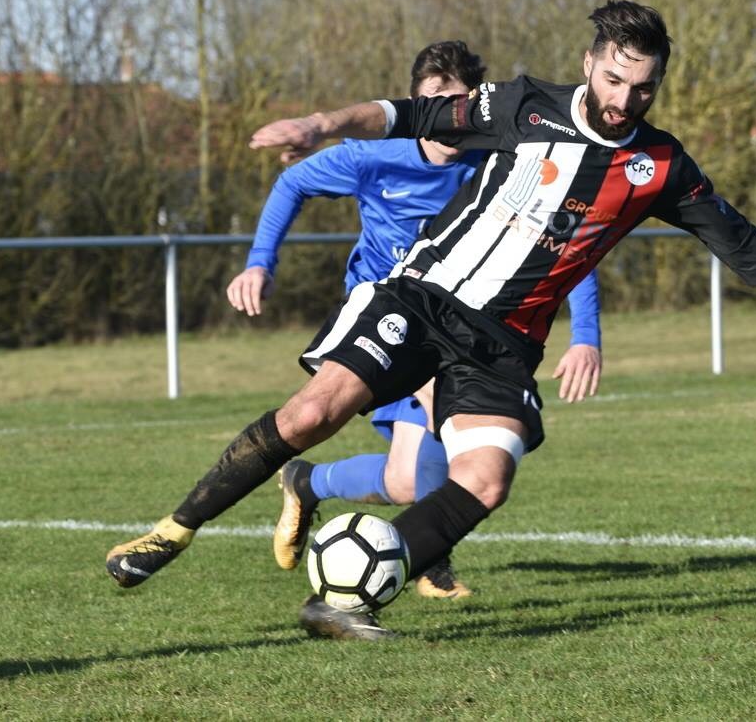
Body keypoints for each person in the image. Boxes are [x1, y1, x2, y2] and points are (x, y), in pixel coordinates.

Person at [107, 0, 756, 641]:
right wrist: (323, 121)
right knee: (312, 412)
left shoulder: (659, 166)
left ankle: (342, 600)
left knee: (486, 478)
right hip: (425, 298)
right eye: (614, 79)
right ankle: (174, 529)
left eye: (643, 86)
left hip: (503, 345)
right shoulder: (521, 106)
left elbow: (740, 242)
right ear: (590, 64)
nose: (625, 98)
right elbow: (410, 114)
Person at [223, 40, 604, 600]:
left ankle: (307, 481)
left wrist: (586, 335)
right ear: (416, 104)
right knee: (447, 435)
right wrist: (259, 264)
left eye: (460, 104)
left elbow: (563, 242)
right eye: (434, 102)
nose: (448, 118)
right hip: (385, 318)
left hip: (458, 322)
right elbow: (293, 182)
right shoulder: (371, 154)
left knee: (406, 478)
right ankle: (431, 568)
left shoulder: (502, 159)